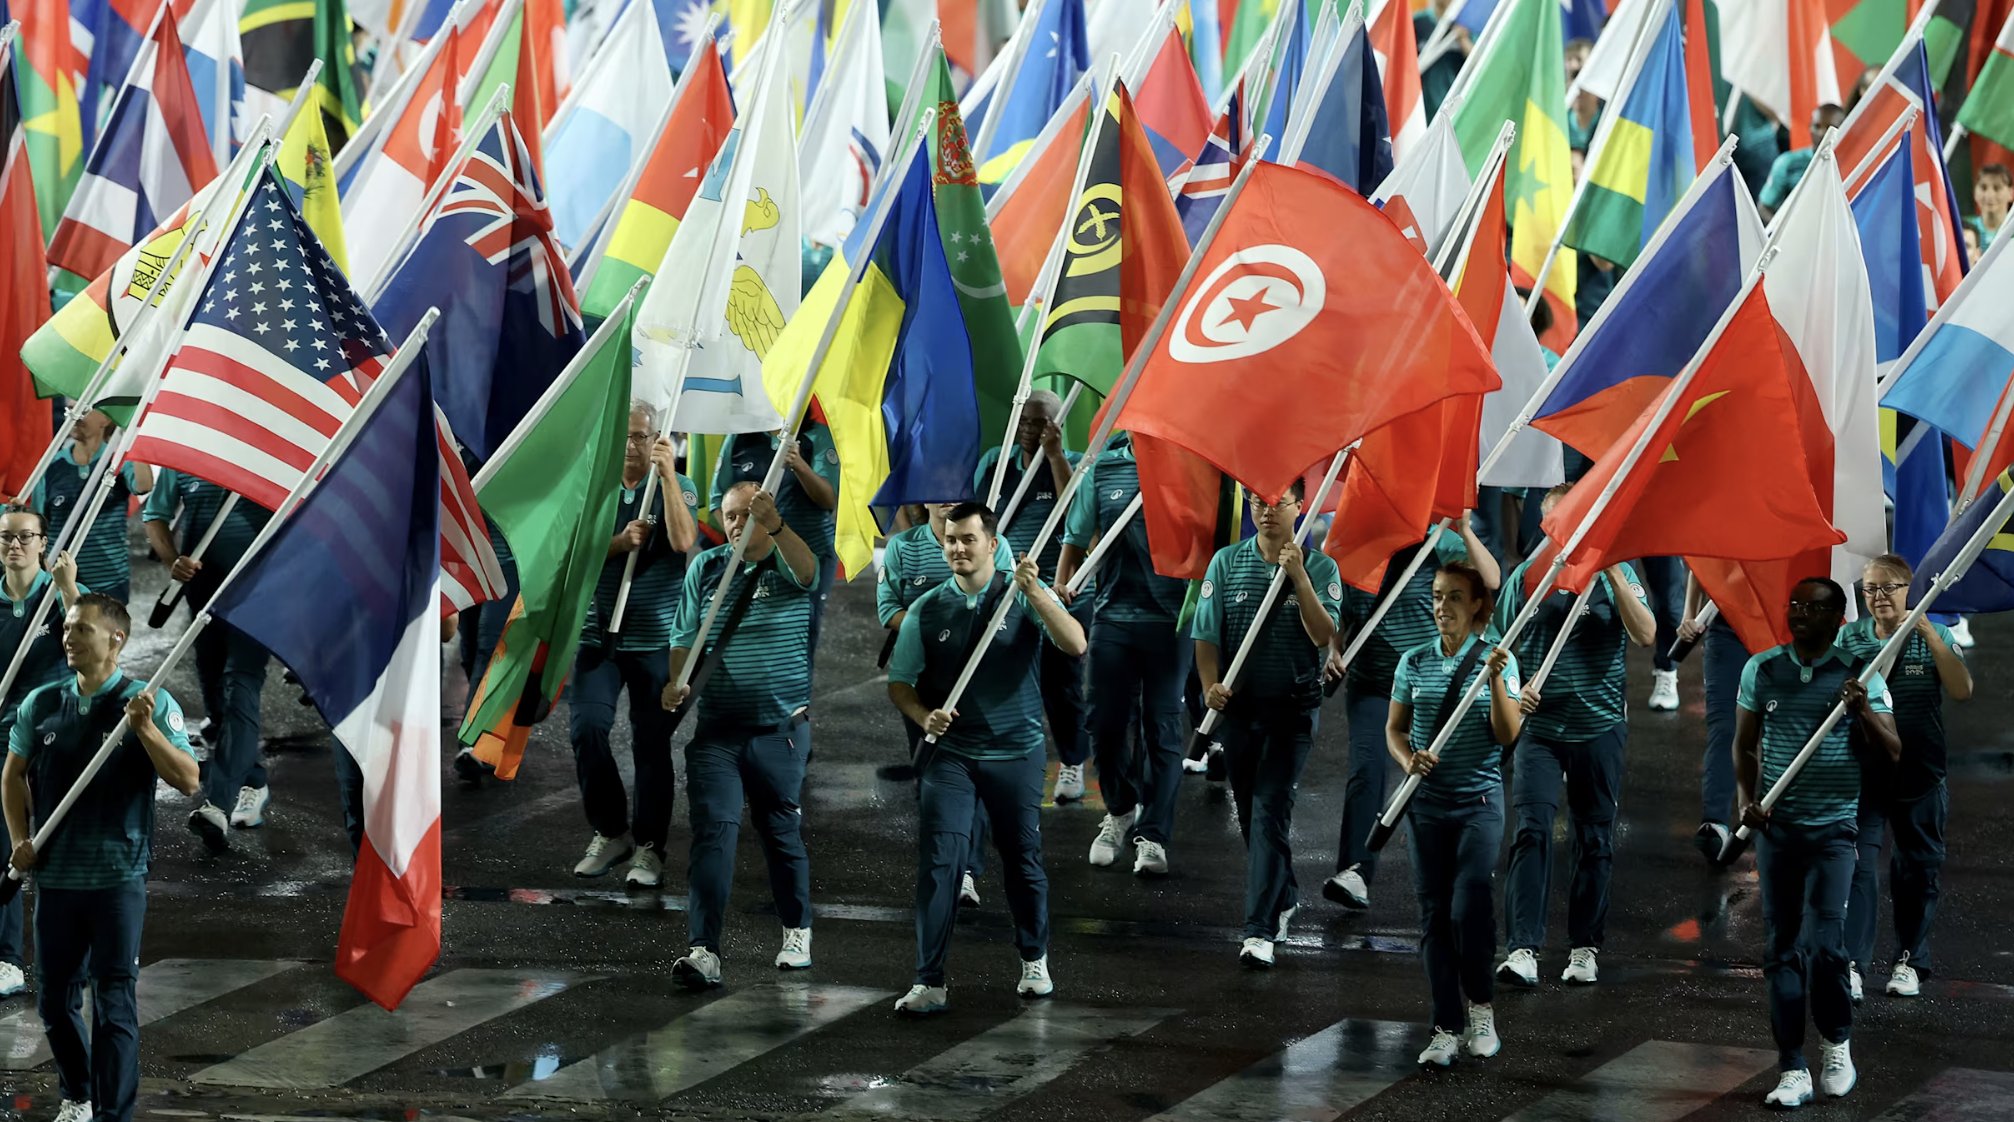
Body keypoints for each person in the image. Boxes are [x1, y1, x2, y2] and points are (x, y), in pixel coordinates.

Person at [4, 593, 201, 1122]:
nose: (68, 637)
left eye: (82, 630)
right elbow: (11, 774)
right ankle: (78, 1094)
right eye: (67, 628)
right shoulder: (42, 702)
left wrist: (145, 731)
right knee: (54, 1004)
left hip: (118, 879)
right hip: (57, 879)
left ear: (117, 639)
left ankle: (115, 1114)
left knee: (114, 1006)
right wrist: (20, 837)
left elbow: (186, 780)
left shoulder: (149, 702)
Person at [886, 502, 1084, 1014]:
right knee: (941, 863)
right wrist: (924, 715)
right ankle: (928, 980)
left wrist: (1036, 591)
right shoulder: (928, 609)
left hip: (1016, 754)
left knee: (1022, 860)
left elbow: (1076, 643)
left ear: (992, 546)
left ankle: (1034, 959)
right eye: (950, 540)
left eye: (968, 540)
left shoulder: (1021, 599)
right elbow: (901, 684)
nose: (957, 548)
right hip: (952, 756)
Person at [1734, 577, 1900, 1108]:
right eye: (1795, 605)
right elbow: (1743, 745)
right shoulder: (1762, 669)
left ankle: (1836, 1044)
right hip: (1778, 833)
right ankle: (1791, 1066)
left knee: (1825, 947)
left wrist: (1863, 712)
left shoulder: (1859, 676)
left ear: (1836, 619)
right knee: (1781, 950)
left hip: (1834, 831)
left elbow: (1894, 750)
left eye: (1814, 608)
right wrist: (1748, 799)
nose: (1800, 613)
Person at [1493, 486, 1656, 988]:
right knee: (1531, 831)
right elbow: (1498, 651)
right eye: (1554, 521)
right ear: (1543, 525)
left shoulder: (1617, 573)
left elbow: (1647, 633)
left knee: (1594, 838)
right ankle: (1522, 948)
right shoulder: (1528, 577)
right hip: (1539, 731)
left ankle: (1584, 947)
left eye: (1575, 519)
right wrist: (1517, 694)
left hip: (1599, 727)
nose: (1563, 529)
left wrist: (1608, 570)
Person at [662, 482, 818, 990]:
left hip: (781, 733)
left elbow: (811, 572)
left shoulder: (789, 562)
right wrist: (676, 683)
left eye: (744, 515)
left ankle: (797, 929)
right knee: (714, 834)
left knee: (780, 835)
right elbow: (684, 638)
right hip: (718, 735)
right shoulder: (705, 569)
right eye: (728, 516)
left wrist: (775, 524)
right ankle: (704, 949)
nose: (734, 524)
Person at [1192, 482, 1342, 969]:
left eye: (1279, 502)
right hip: (1240, 712)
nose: (1267, 510)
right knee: (1253, 814)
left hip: (1293, 711)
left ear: (1301, 506)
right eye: (1258, 501)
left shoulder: (1321, 567)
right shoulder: (1226, 562)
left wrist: (1298, 578)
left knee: (1270, 807)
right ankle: (1284, 889)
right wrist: (1211, 685)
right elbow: (1206, 634)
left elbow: (1324, 635)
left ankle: (1258, 931)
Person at [1322, 518, 1497, 911]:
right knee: (1365, 770)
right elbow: (1341, 613)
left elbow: (1491, 577)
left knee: (1434, 779)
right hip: (1372, 683)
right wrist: (1334, 649)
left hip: (1429, 687)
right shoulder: (1352, 544)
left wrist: (1466, 531)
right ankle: (1355, 870)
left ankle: (1458, 868)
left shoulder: (1437, 541)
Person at [1389, 563, 1521, 1068]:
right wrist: (1408, 760)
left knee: (1468, 906)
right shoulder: (1413, 662)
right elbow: (1395, 730)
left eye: (1455, 598)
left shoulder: (1497, 661)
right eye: (1438, 596)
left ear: (1477, 607)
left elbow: (1507, 735)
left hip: (1479, 805)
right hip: (1425, 807)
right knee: (1433, 916)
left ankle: (1481, 1009)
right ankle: (1445, 1026)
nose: (1443, 606)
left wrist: (1496, 682)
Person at [566, 406, 699, 886]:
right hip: (597, 635)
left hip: (655, 638)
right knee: (587, 728)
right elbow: (573, 550)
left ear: (657, 439)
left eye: (642, 437)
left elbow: (685, 542)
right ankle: (610, 831)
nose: (631, 446)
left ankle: (649, 848)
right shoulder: (592, 482)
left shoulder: (678, 485)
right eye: (624, 436)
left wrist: (666, 478)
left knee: (651, 744)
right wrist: (621, 542)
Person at [1838, 556, 1971, 1000]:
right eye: (1870, 589)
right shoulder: (1849, 639)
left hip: (1921, 773)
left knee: (1917, 869)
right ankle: (1853, 964)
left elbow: (1961, 688)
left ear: (1908, 590)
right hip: (1864, 772)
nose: (1879, 598)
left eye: (1889, 588)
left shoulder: (1933, 632)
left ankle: (1909, 959)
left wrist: (1931, 633)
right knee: (1858, 867)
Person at [1057, 433, 1190, 876]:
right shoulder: (1105, 469)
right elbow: (1075, 538)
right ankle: (1118, 810)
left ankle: (1152, 836)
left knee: (1162, 729)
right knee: (1105, 723)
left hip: (1173, 621)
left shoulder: (1192, 468)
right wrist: (1063, 585)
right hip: (1113, 615)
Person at [879, 501, 1014, 906]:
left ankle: (967, 869)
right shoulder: (902, 548)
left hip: (980, 680)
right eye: (936, 491)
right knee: (933, 775)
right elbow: (889, 608)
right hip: (925, 680)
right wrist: (937, 628)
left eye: (954, 489)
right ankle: (946, 859)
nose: (946, 499)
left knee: (973, 776)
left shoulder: (995, 544)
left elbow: (1004, 600)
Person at [971, 390, 1093, 801]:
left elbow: (1077, 517)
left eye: (1040, 422)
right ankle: (1006, 757)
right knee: (1007, 674)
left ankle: (1073, 762)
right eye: (1024, 420)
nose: (1029, 430)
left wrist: (1056, 457)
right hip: (1007, 590)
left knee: (1062, 682)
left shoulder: (1075, 465)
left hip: (1059, 592)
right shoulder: (996, 464)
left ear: (1057, 425)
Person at [141, 471, 273, 849]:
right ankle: (255, 781)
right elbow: (155, 515)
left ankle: (217, 803)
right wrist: (173, 560)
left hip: (257, 593)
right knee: (215, 696)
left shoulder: (267, 448)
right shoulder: (189, 450)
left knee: (239, 687)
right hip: (203, 597)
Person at [0, 509, 87, 1000]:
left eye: (25, 537)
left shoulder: (58, 597)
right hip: (2, 737)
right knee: (5, 842)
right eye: (7, 537)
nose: (15, 545)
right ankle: (7, 958)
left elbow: (94, 641)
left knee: (59, 842)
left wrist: (69, 587)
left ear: (42, 542)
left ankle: (73, 950)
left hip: (56, 732)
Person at [710, 422, 839, 665]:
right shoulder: (738, 437)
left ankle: (794, 698)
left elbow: (828, 499)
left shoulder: (816, 436)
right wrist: (743, 543)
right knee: (750, 626)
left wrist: (799, 465)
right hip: (754, 555)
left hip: (808, 551)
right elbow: (718, 500)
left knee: (799, 632)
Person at [32, 410, 151, 604]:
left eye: (84, 410)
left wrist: (134, 438)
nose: (76, 415)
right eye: (71, 408)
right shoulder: (51, 465)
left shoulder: (118, 459)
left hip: (109, 580)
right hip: (59, 582)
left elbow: (143, 485)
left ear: (105, 418)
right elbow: (38, 525)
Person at [1680, 573, 1749, 862]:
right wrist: (1689, 615)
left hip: (1780, 629)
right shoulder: (1725, 527)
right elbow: (1702, 564)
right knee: (1723, 727)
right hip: (1727, 631)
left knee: (1778, 730)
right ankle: (1715, 823)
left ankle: (1775, 822)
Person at [1759, 105, 1846, 220]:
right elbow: (1764, 207)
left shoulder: (1853, 164)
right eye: (1817, 126)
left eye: (1830, 128)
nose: (1822, 133)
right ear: (1809, 127)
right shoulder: (1787, 163)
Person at [1967, 163, 2009, 250]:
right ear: (1975, 192)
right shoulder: (1962, 229)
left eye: (1997, 188)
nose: (1989, 195)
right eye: (1983, 188)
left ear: (2011, 193)